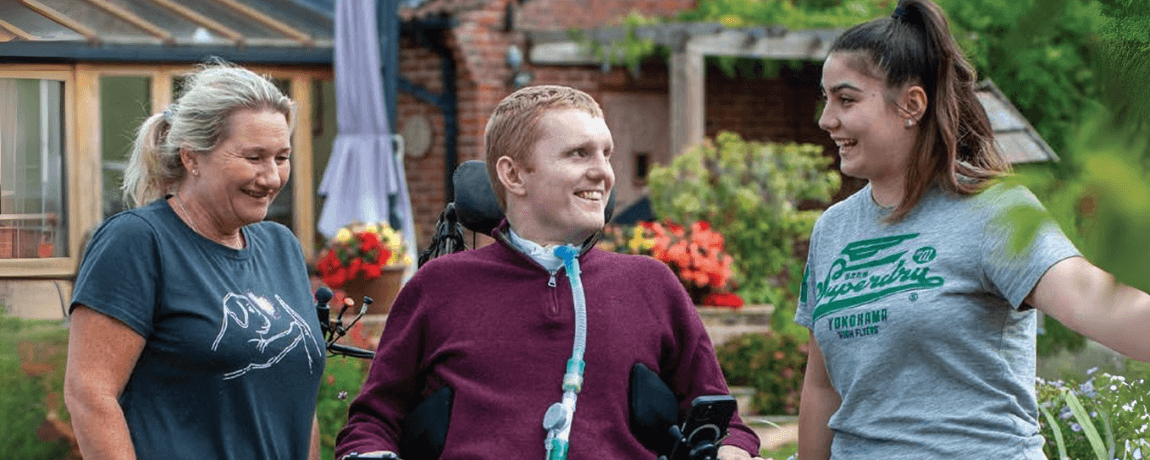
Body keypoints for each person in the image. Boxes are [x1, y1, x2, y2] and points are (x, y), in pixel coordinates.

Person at [795, 0, 1150, 459]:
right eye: (826, 99)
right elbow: (821, 386)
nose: (827, 119)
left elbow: (1091, 299)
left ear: (912, 104)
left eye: (846, 99)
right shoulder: (833, 230)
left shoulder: (992, 211)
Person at [336, 85, 764, 459]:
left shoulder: (651, 284)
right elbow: (372, 423)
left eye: (606, 153)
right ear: (514, 174)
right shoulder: (439, 287)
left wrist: (731, 450)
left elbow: (725, 422)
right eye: (579, 154)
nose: (603, 172)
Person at [64, 61, 325, 460]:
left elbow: (297, 403)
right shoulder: (139, 241)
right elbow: (90, 395)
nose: (272, 177)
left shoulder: (281, 246)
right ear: (192, 158)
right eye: (254, 157)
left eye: (282, 157)